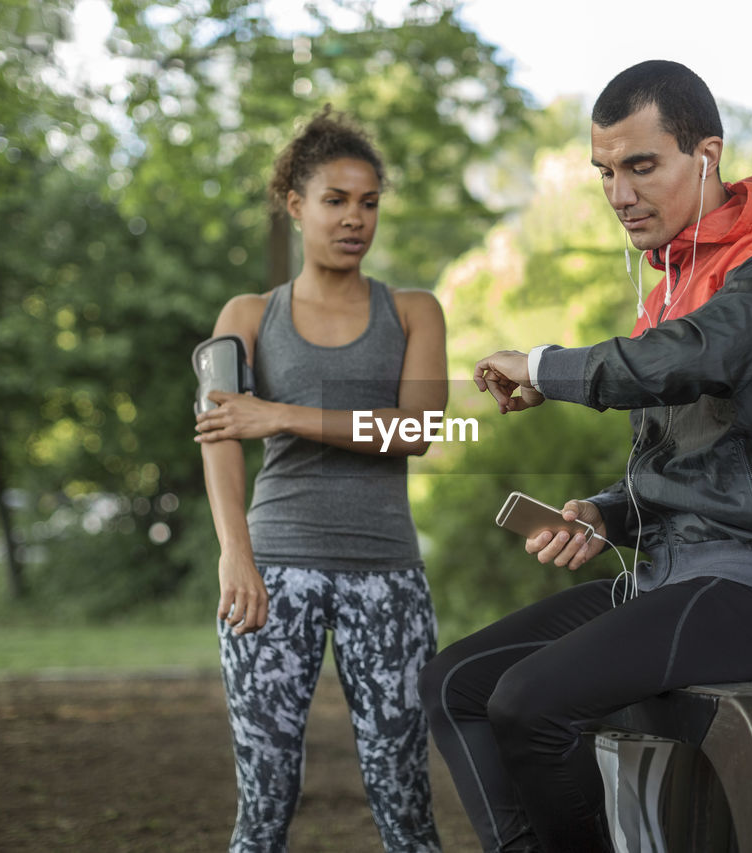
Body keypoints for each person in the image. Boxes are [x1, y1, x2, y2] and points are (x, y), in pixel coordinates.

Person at [419, 60, 752, 852]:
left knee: (529, 701)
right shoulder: (671, 285)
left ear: (708, 155)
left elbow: (697, 360)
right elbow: (697, 456)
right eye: (604, 171)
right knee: (457, 684)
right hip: (667, 578)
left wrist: (548, 366)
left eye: (641, 165)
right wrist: (606, 511)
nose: (618, 193)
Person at [196, 106, 447, 853]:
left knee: (405, 800)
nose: (354, 219)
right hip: (271, 573)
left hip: (387, 576)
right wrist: (232, 551)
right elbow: (218, 434)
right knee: (264, 804)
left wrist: (280, 413)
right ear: (295, 203)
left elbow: (419, 429)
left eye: (368, 202)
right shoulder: (245, 314)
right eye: (335, 200)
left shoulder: (412, 311)